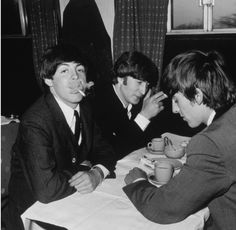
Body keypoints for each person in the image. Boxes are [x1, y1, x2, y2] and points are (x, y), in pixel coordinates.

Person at [123, 50, 236, 230]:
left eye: (176, 100)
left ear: (197, 95)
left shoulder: (210, 143)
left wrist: (138, 182)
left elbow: (164, 208)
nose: (175, 110)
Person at [8, 44, 116, 230]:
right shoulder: (36, 121)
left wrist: (97, 173)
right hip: (34, 210)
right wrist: (82, 168)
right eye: (64, 70)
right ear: (49, 80)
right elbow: (46, 189)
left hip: (68, 197)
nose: (75, 77)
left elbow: (105, 150)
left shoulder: (85, 108)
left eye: (80, 69)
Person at [92, 51, 167, 160]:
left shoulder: (135, 100)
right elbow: (111, 152)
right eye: (139, 83)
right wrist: (144, 116)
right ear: (121, 79)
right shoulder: (99, 103)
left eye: (147, 84)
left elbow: (146, 142)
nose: (143, 91)